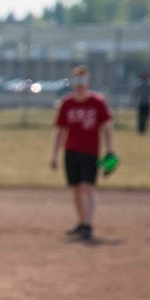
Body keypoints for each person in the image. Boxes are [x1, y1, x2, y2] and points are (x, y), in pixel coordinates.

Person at [50, 65, 115, 241]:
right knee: (77, 188)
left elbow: (107, 127)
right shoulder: (67, 104)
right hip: (70, 151)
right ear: (72, 82)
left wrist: (109, 149)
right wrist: (54, 154)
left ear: (88, 81)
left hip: (91, 152)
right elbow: (60, 130)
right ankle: (81, 222)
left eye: (83, 80)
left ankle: (88, 224)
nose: (79, 84)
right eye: (77, 80)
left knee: (88, 186)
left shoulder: (97, 102)